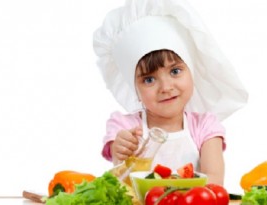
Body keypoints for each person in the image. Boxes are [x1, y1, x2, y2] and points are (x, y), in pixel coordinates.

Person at [93, 0, 248, 185]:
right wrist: (120, 148)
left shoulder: (205, 127)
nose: (166, 87)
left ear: (192, 70)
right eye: (149, 80)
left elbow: (214, 181)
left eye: (175, 71)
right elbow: (120, 179)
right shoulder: (124, 127)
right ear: (135, 88)